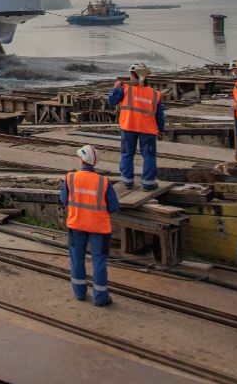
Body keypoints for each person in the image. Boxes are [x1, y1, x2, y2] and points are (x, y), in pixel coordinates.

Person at [61, 145, 120, 307]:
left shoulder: (70, 178)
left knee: (76, 259)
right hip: (99, 229)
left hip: (76, 224)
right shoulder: (104, 182)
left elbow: (64, 200)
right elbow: (114, 207)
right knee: (99, 261)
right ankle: (100, 297)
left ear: (81, 160)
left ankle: (79, 293)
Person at [106, 62, 165, 191]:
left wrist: (115, 88)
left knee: (127, 154)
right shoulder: (155, 94)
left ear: (133, 74)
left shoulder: (125, 89)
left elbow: (111, 101)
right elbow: (159, 115)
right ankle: (148, 183)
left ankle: (127, 181)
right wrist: (160, 129)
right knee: (149, 156)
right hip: (148, 130)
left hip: (128, 127)